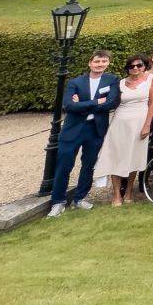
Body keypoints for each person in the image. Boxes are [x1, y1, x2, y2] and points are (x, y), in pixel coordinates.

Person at [48, 50, 121, 217]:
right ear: (90, 63)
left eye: (104, 61)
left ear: (108, 63)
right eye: (97, 61)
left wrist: (82, 103)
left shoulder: (112, 80)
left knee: (88, 165)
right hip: (73, 128)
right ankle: (58, 202)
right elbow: (69, 106)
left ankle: (80, 197)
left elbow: (110, 103)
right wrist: (96, 102)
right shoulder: (76, 82)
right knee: (64, 164)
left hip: (95, 128)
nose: (100, 64)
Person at [93, 55, 153, 206]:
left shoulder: (151, 79)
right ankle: (116, 195)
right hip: (120, 122)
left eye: (139, 65)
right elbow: (109, 100)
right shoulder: (120, 82)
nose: (135, 68)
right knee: (117, 157)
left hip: (140, 122)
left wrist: (147, 124)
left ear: (144, 66)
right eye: (132, 66)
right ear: (127, 68)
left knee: (134, 158)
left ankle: (128, 192)